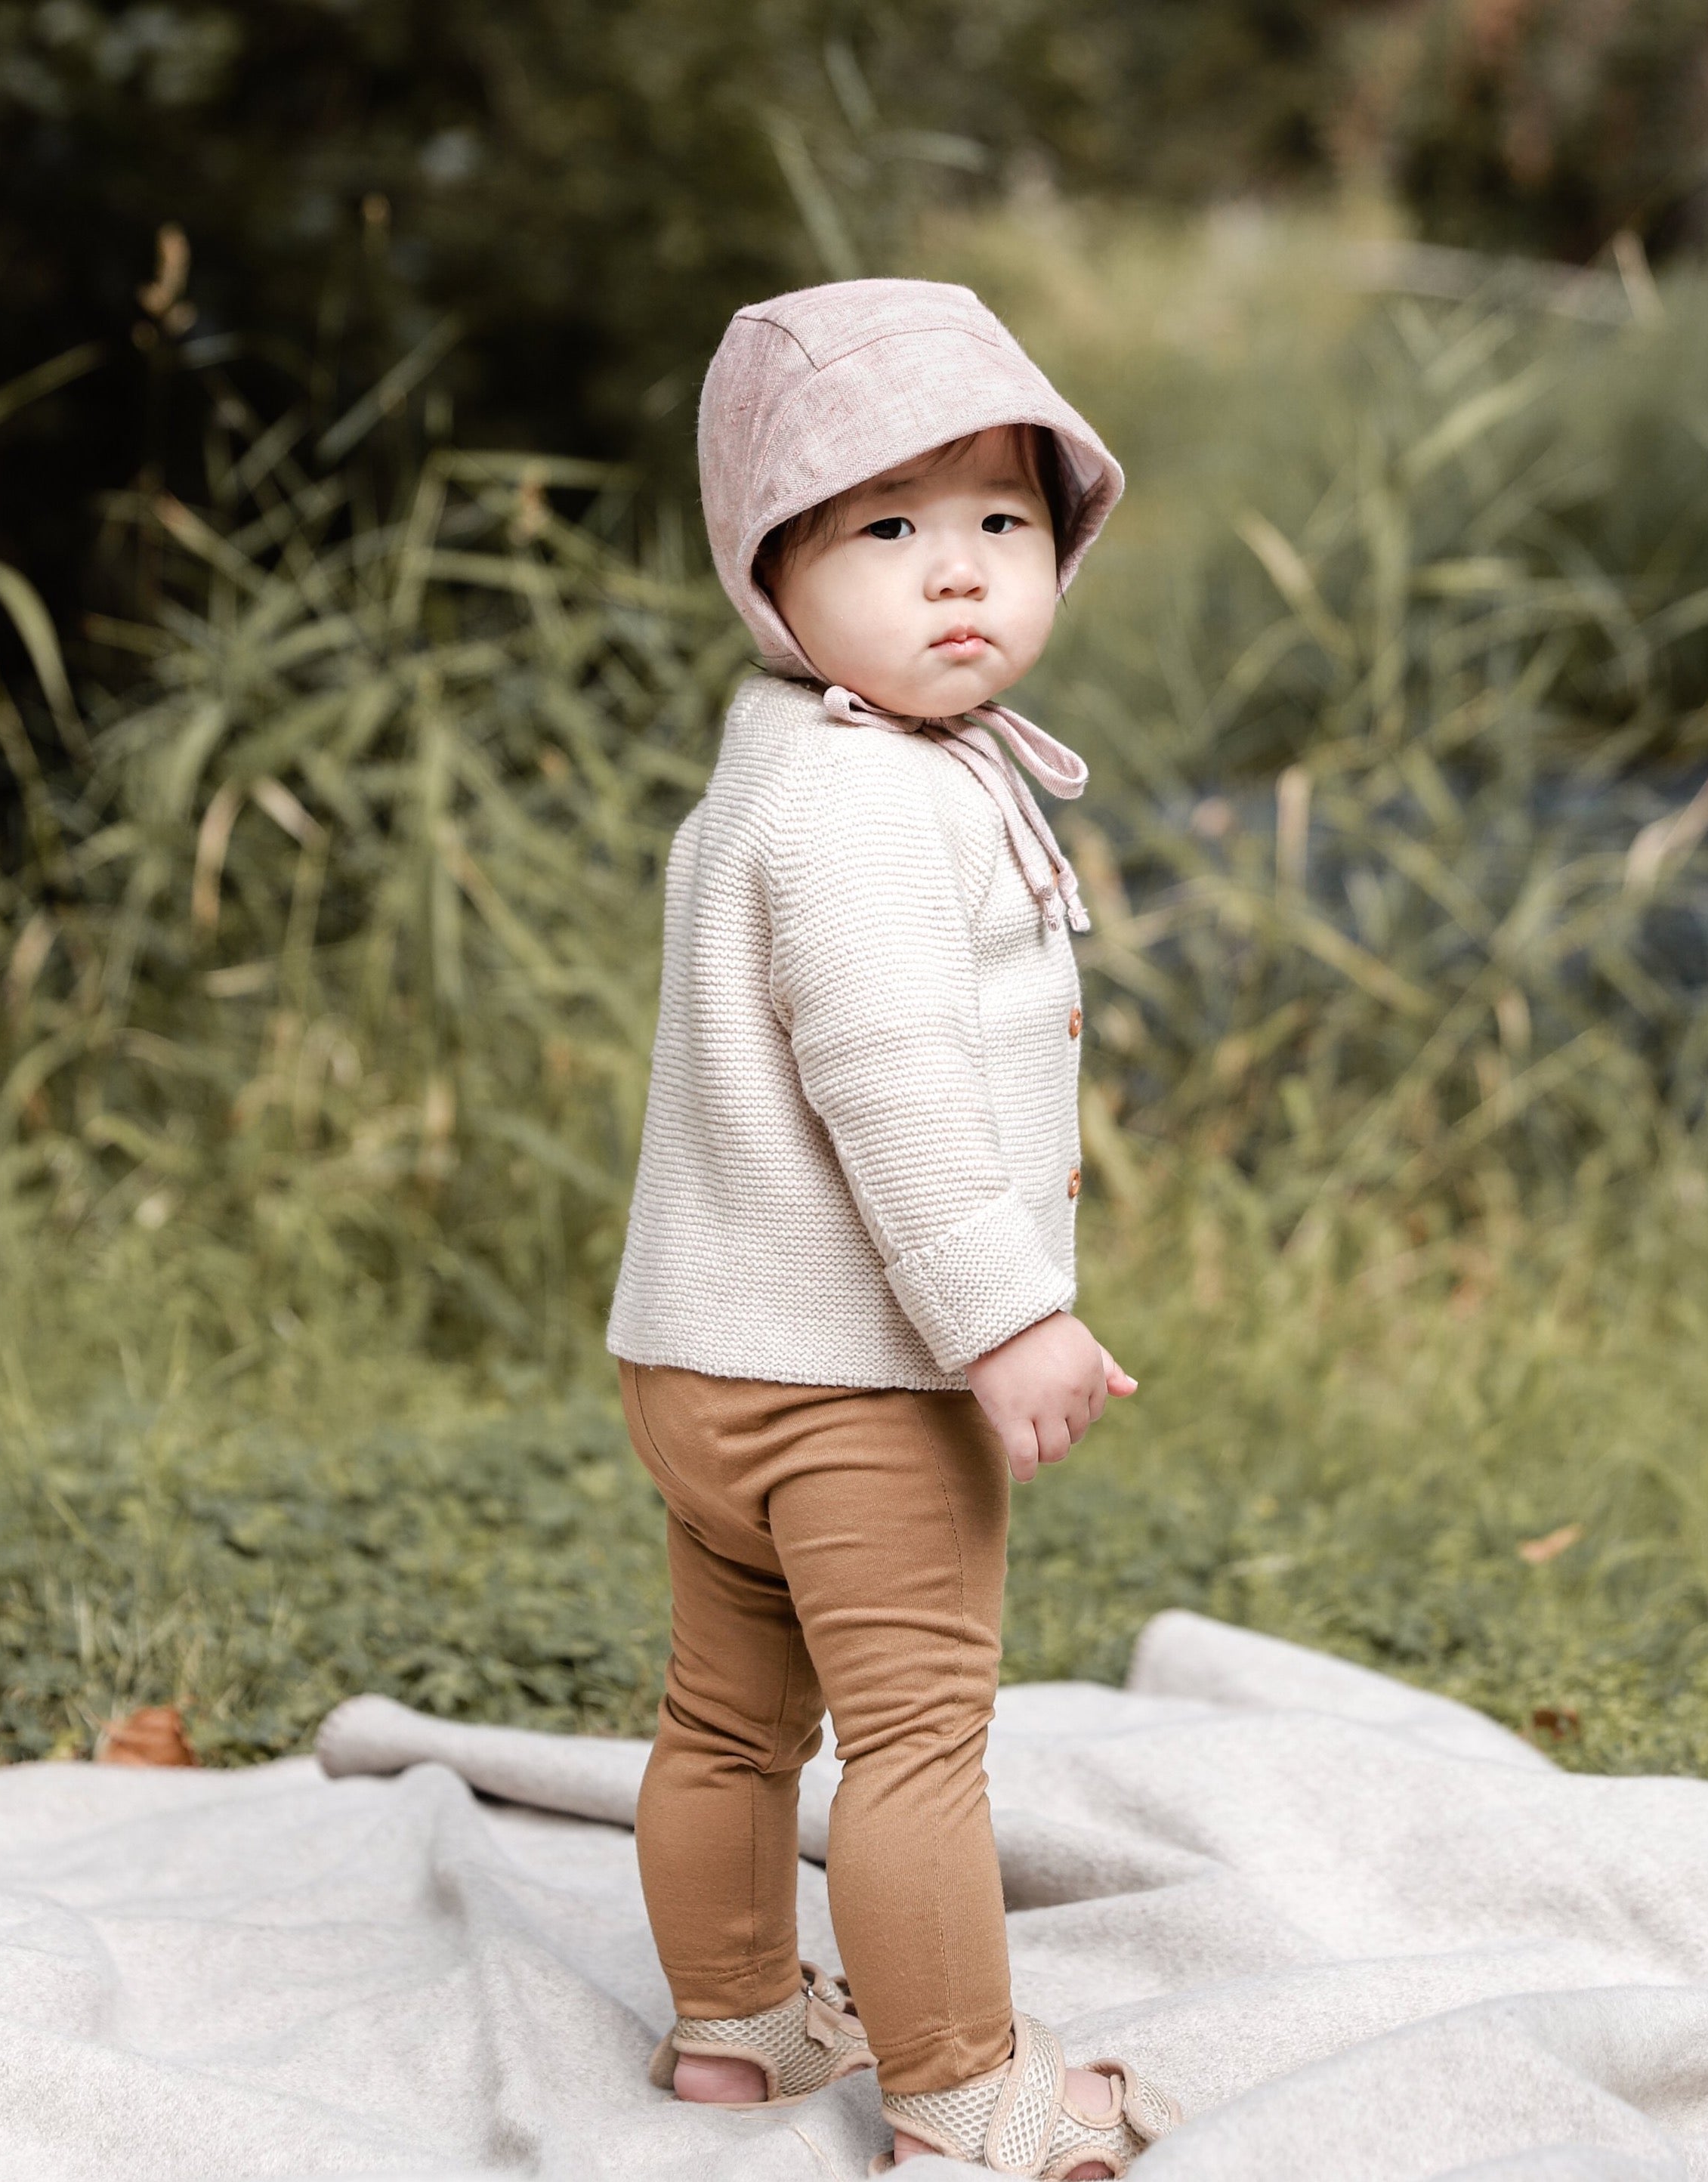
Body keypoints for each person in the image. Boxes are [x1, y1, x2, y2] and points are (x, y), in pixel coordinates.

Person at [607, 279, 1183, 2177]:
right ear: (773, 567)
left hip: (698, 1356)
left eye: (1000, 522)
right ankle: (957, 2088)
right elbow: (888, 1077)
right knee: (918, 1739)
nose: (959, 577)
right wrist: (1001, 1313)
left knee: (727, 1710)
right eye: (886, 527)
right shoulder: (863, 801)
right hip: (860, 1377)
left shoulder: (777, 760)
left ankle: (737, 2021)